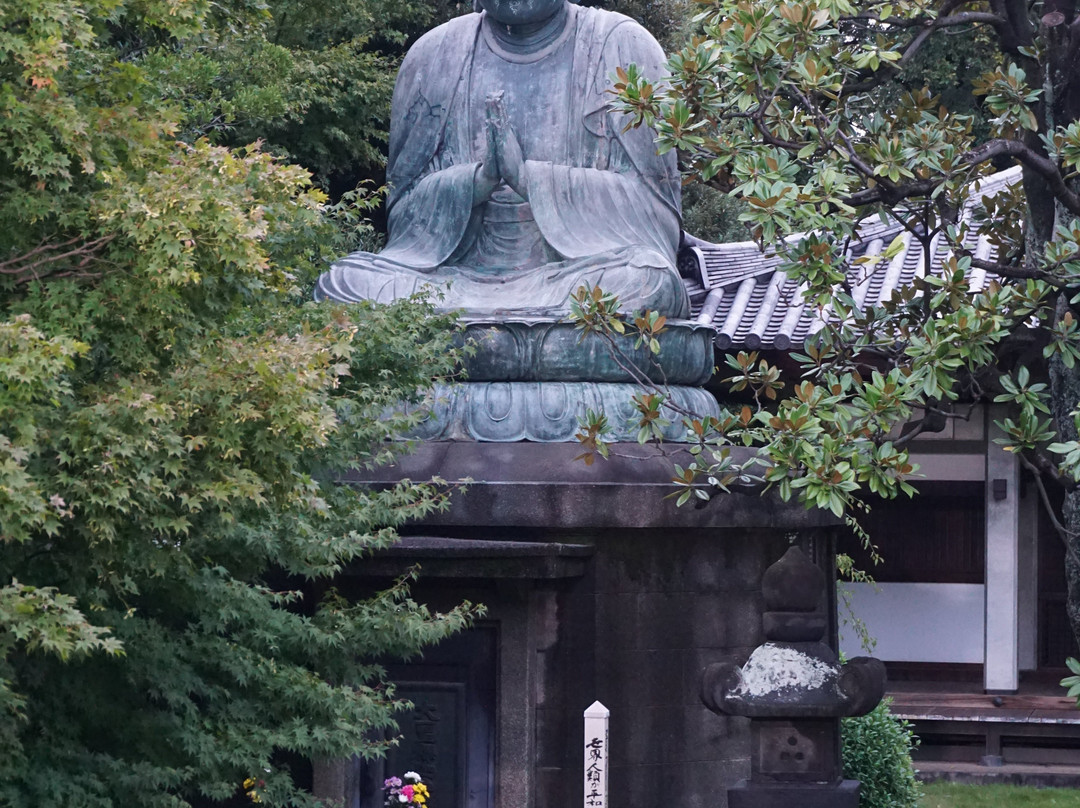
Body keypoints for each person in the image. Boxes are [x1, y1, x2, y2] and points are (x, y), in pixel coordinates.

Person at [314, 0, 689, 319]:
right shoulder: (434, 54)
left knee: (647, 279)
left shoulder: (622, 45)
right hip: (450, 283)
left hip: (576, 278)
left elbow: (658, 219)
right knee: (343, 281)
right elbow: (403, 217)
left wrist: (527, 178)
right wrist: (477, 182)